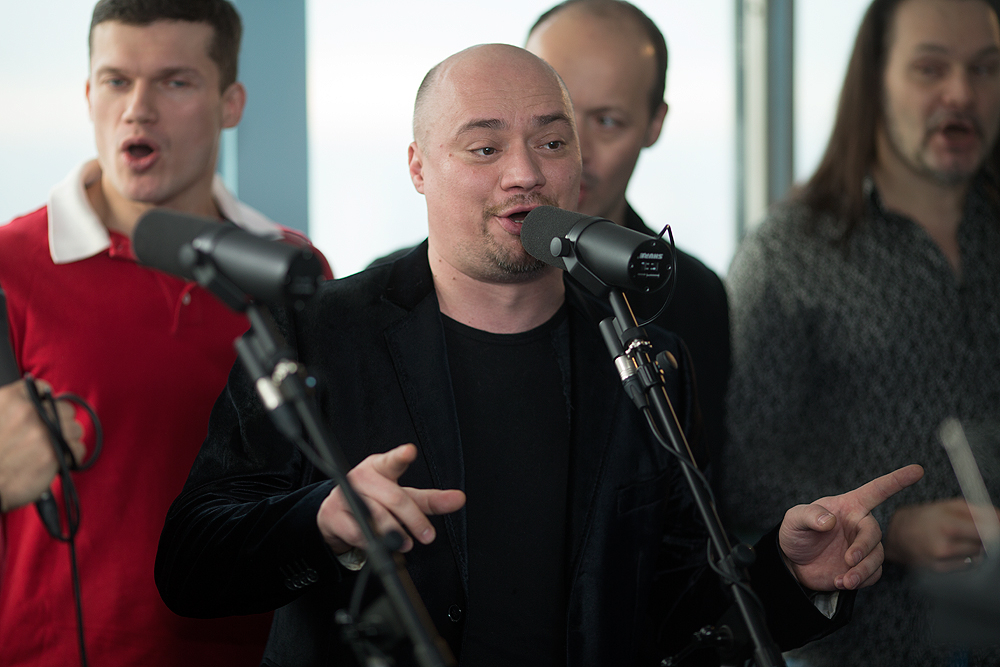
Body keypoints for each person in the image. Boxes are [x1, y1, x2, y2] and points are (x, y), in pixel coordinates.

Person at [155, 43, 922, 666]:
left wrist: (792, 576)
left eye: (552, 142)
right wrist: (321, 519)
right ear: (419, 167)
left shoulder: (644, 357)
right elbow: (191, 562)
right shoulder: (318, 330)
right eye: (484, 146)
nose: (525, 171)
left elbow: (678, 611)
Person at [0, 1, 329, 665]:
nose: (138, 109)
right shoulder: (9, 265)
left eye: (174, 82)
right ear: (89, 95)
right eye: (117, 81)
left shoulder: (291, 269)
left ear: (230, 103)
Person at [722, 0, 1000, 665]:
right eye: (930, 68)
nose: (961, 94)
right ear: (875, 81)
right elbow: (741, 472)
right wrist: (894, 529)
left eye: (986, 68)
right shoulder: (789, 253)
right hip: (865, 643)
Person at [525, 0, 731, 474]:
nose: (574, 152)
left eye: (606, 121)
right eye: (550, 118)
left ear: (655, 123)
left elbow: (705, 488)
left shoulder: (693, 294)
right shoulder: (405, 287)